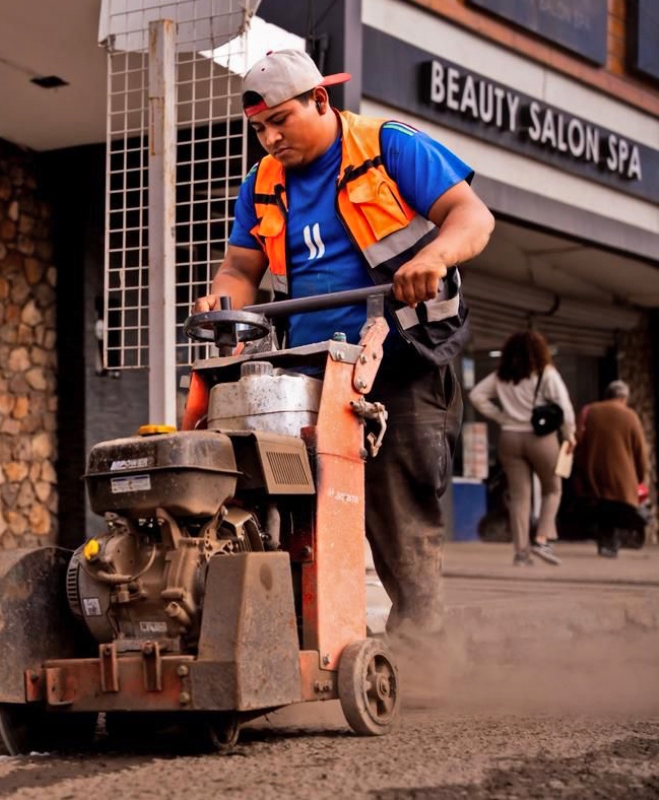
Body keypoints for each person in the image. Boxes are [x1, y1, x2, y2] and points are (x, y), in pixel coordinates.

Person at [193, 50, 493, 655]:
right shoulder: (261, 184)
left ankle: (423, 651)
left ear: (321, 101)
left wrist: (433, 258)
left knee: (397, 511)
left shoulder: (387, 145)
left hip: (403, 356)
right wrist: (221, 300)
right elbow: (239, 268)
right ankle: (301, 641)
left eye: (281, 120)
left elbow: (472, 216)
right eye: (259, 129)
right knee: (282, 497)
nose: (270, 138)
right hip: (312, 365)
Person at [469, 331, 575, 566]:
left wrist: (501, 417)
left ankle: (521, 553)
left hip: (510, 438)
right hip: (541, 438)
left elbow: (476, 395)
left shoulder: (502, 376)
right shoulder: (546, 373)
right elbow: (564, 406)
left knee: (519, 497)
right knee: (553, 489)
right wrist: (570, 434)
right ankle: (542, 539)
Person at [572, 380, 647, 558]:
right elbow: (640, 451)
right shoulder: (630, 416)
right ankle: (613, 542)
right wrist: (640, 476)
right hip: (622, 477)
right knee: (618, 508)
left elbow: (579, 441)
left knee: (602, 507)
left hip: (593, 472)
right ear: (623, 398)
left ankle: (605, 541)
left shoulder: (591, 412)